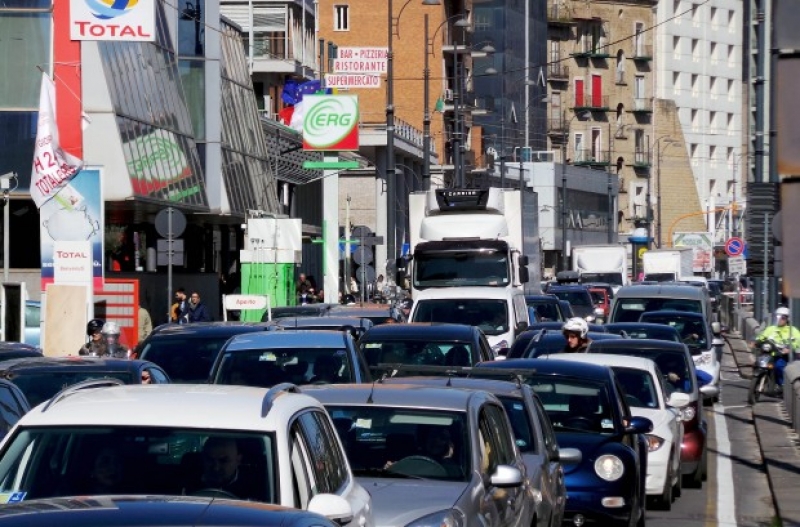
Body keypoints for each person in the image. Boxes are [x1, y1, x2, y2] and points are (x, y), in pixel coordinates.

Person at [754, 306, 800, 388]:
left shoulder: (792, 330)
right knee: (757, 363)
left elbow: (797, 341)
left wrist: (790, 348)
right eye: (777, 317)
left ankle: (783, 385)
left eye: (782, 317)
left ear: (787, 319)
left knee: (779, 366)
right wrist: (756, 341)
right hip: (769, 354)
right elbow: (762, 336)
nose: (779, 319)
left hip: (781, 355)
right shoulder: (771, 329)